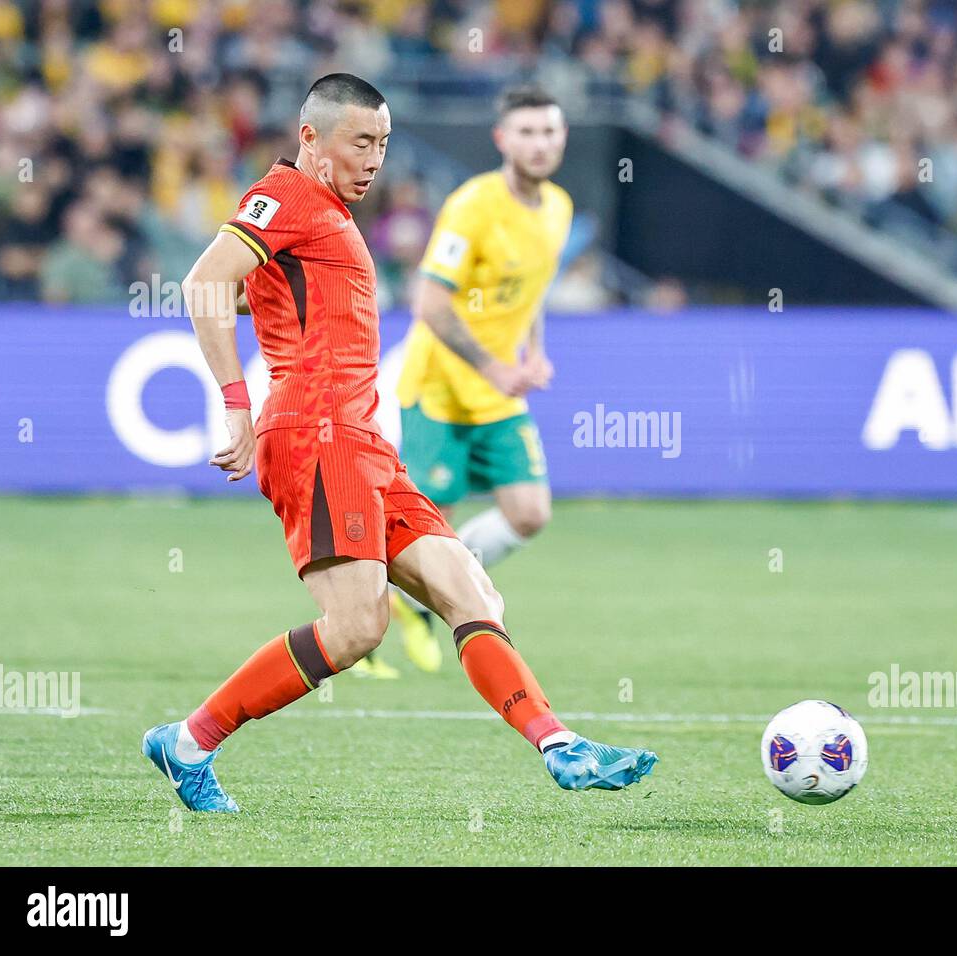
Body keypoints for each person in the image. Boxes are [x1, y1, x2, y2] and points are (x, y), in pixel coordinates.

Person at [140, 74, 656, 811]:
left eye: (383, 142)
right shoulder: (284, 196)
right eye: (361, 141)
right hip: (317, 436)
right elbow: (203, 285)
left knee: (471, 588)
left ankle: (559, 745)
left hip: (365, 442)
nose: (376, 157)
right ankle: (189, 741)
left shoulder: (328, 212)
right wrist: (236, 407)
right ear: (310, 138)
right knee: (356, 628)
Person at [361, 85, 572, 678]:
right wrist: (495, 367)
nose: (539, 144)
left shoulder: (558, 208)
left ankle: (416, 594)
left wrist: (535, 352)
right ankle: (361, 623)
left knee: (529, 513)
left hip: (499, 394)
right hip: (443, 389)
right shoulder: (473, 205)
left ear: (562, 139)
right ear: (502, 139)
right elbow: (429, 301)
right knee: (429, 522)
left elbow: (533, 292)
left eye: (549, 132)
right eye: (526, 132)